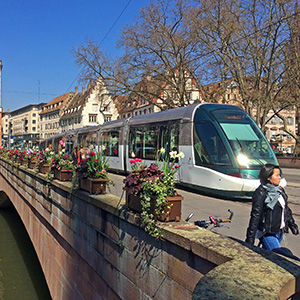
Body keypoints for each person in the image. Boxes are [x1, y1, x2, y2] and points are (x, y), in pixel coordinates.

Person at [245, 164, 298, 251]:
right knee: (277, 255)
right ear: (268, 177)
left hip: (279, 231)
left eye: (279, 175)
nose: (280, 178)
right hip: (267, 233)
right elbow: (255, 216)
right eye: (277, 175)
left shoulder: (279, 190)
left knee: (267, 257)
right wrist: (249, 241)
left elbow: (286, 209)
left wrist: (292, 225)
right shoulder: (260, 193)